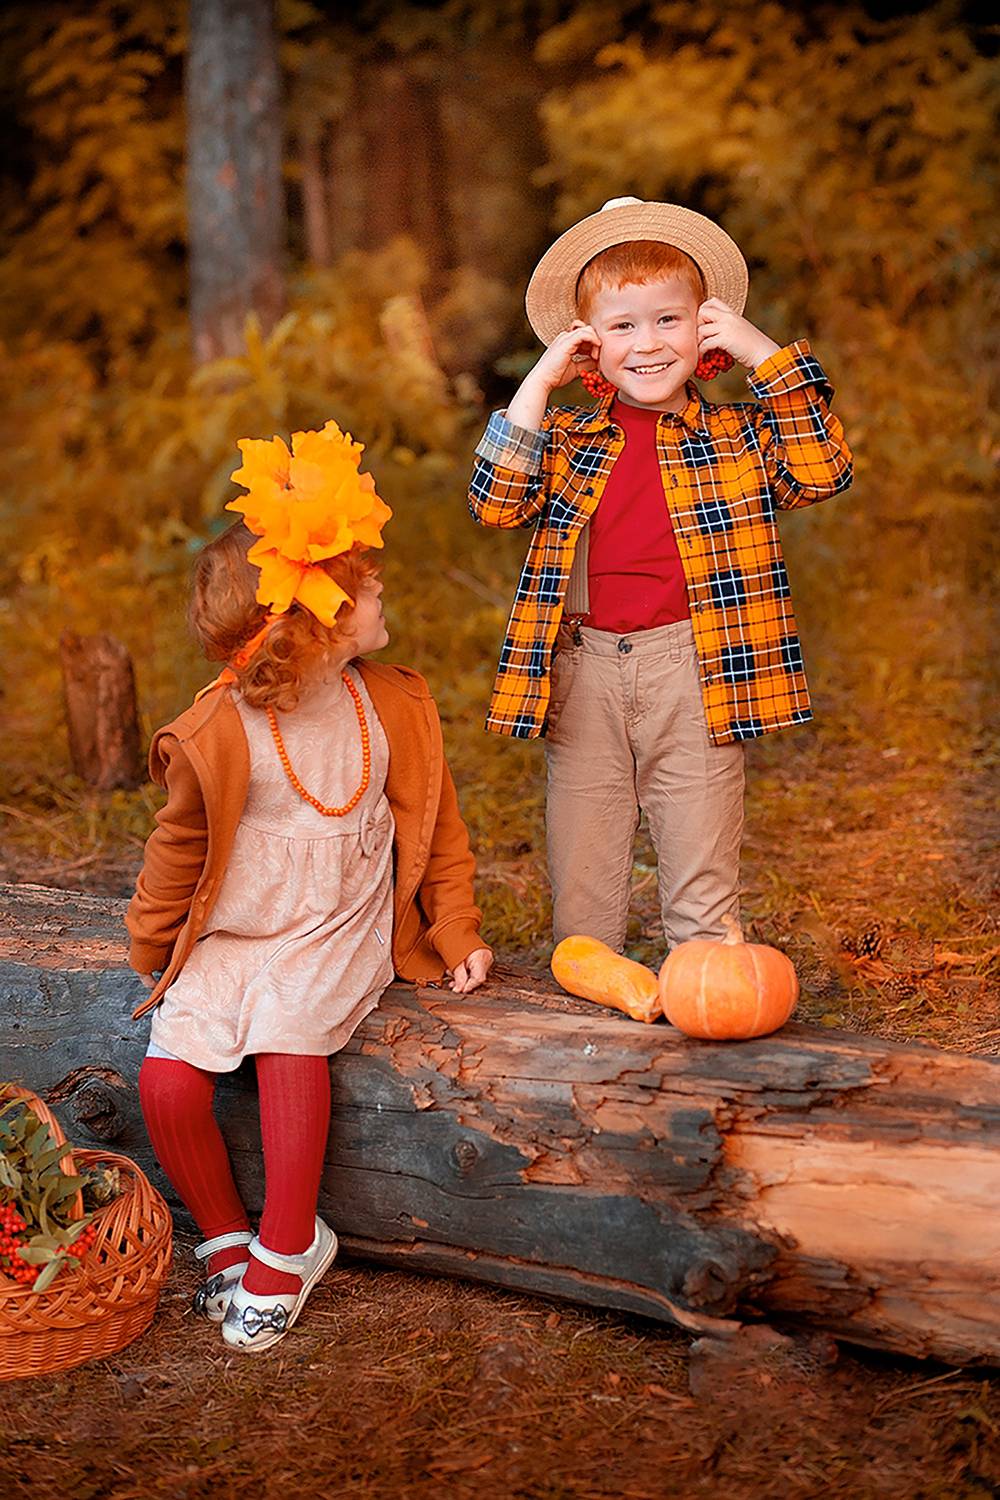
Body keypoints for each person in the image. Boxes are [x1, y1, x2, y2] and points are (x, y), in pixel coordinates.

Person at [128, 420, 492, 1353]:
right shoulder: (217, 732)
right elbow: (177, 849)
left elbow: (439, 829)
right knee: (169, 1077)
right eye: (365, 587)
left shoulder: (392, 701)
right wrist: (156, 945)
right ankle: (224, 1236)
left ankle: (291, 1243)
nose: (381, 594)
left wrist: (454, 928)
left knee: (290, 1038)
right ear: (318, 622)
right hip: (240, 927)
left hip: (339, 919)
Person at [468, 197, 853, 953]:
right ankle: (593, 1005)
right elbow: (495, 503)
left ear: (704, 328)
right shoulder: (566, 439)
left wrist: (765, 355)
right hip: (585, 674)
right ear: (589, 345)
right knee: (583, 900)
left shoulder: (738, 435)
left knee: (703, 891)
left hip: (699, 669)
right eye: (622, 327)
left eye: (668, 320)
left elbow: (823, 470)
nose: (647, 344)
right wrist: (540, 382)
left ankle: (704, 992)